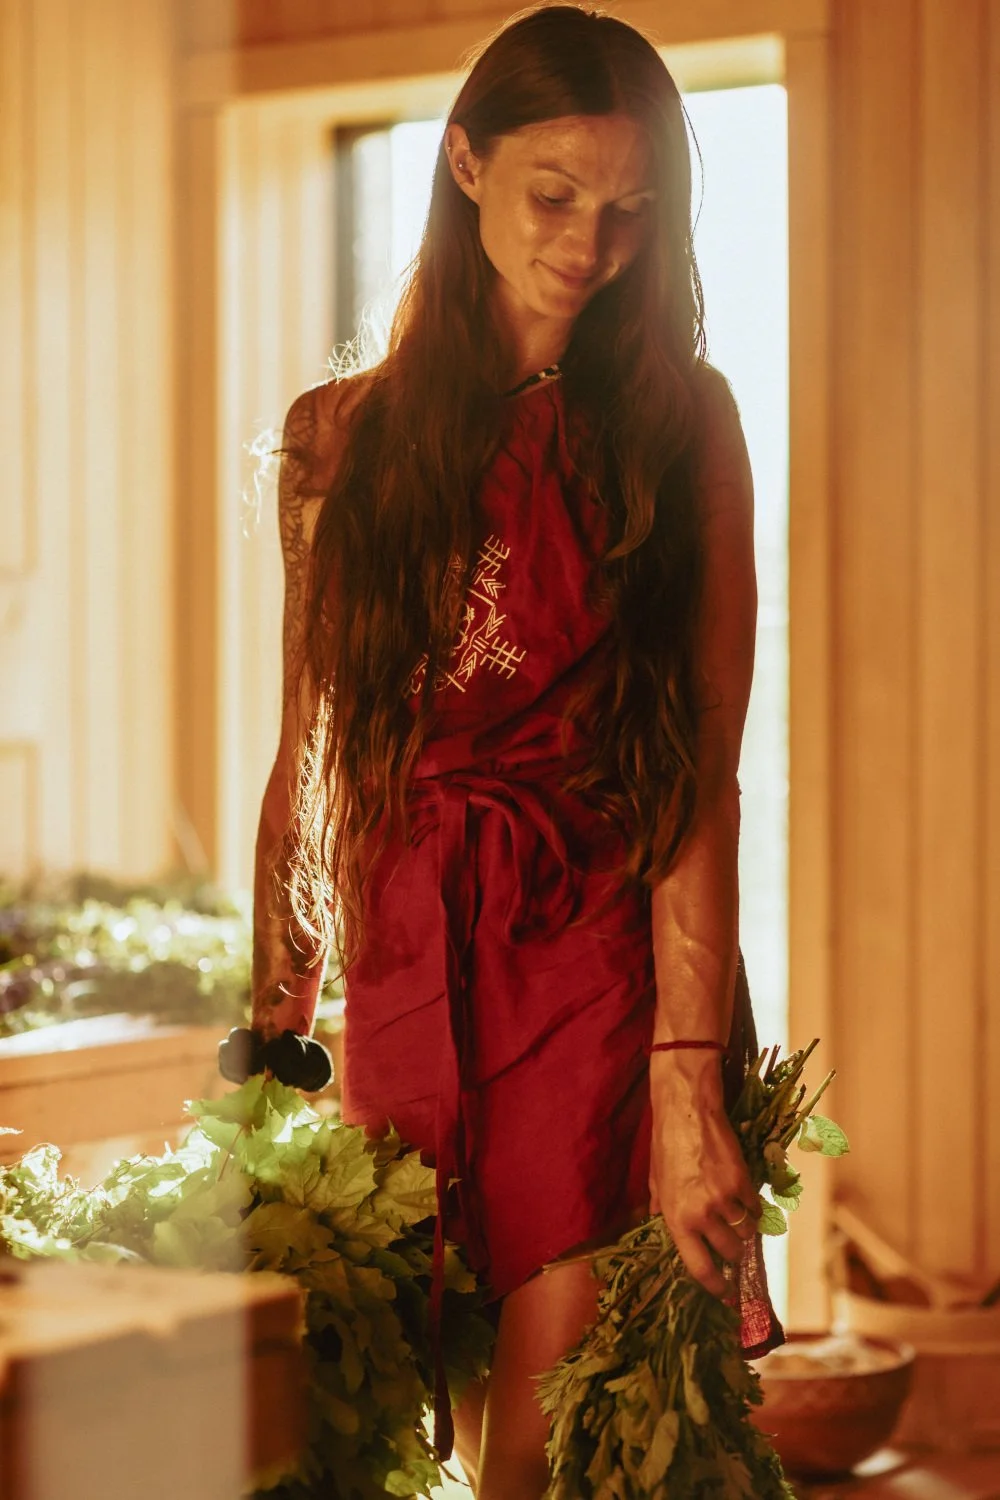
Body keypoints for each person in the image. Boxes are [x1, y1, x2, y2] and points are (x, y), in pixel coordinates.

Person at [247, 6, 783, 1495]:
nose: (588, 241)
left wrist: (687, 1075)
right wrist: (274, 993)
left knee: (533, 1461)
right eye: (555, 195)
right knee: (389, 1423)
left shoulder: (684, 424)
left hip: (593, 951)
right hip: (408, 949)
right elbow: (311, 738)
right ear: (466, 167)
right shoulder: (334, 438)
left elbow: (700, 762)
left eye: (630, 209)